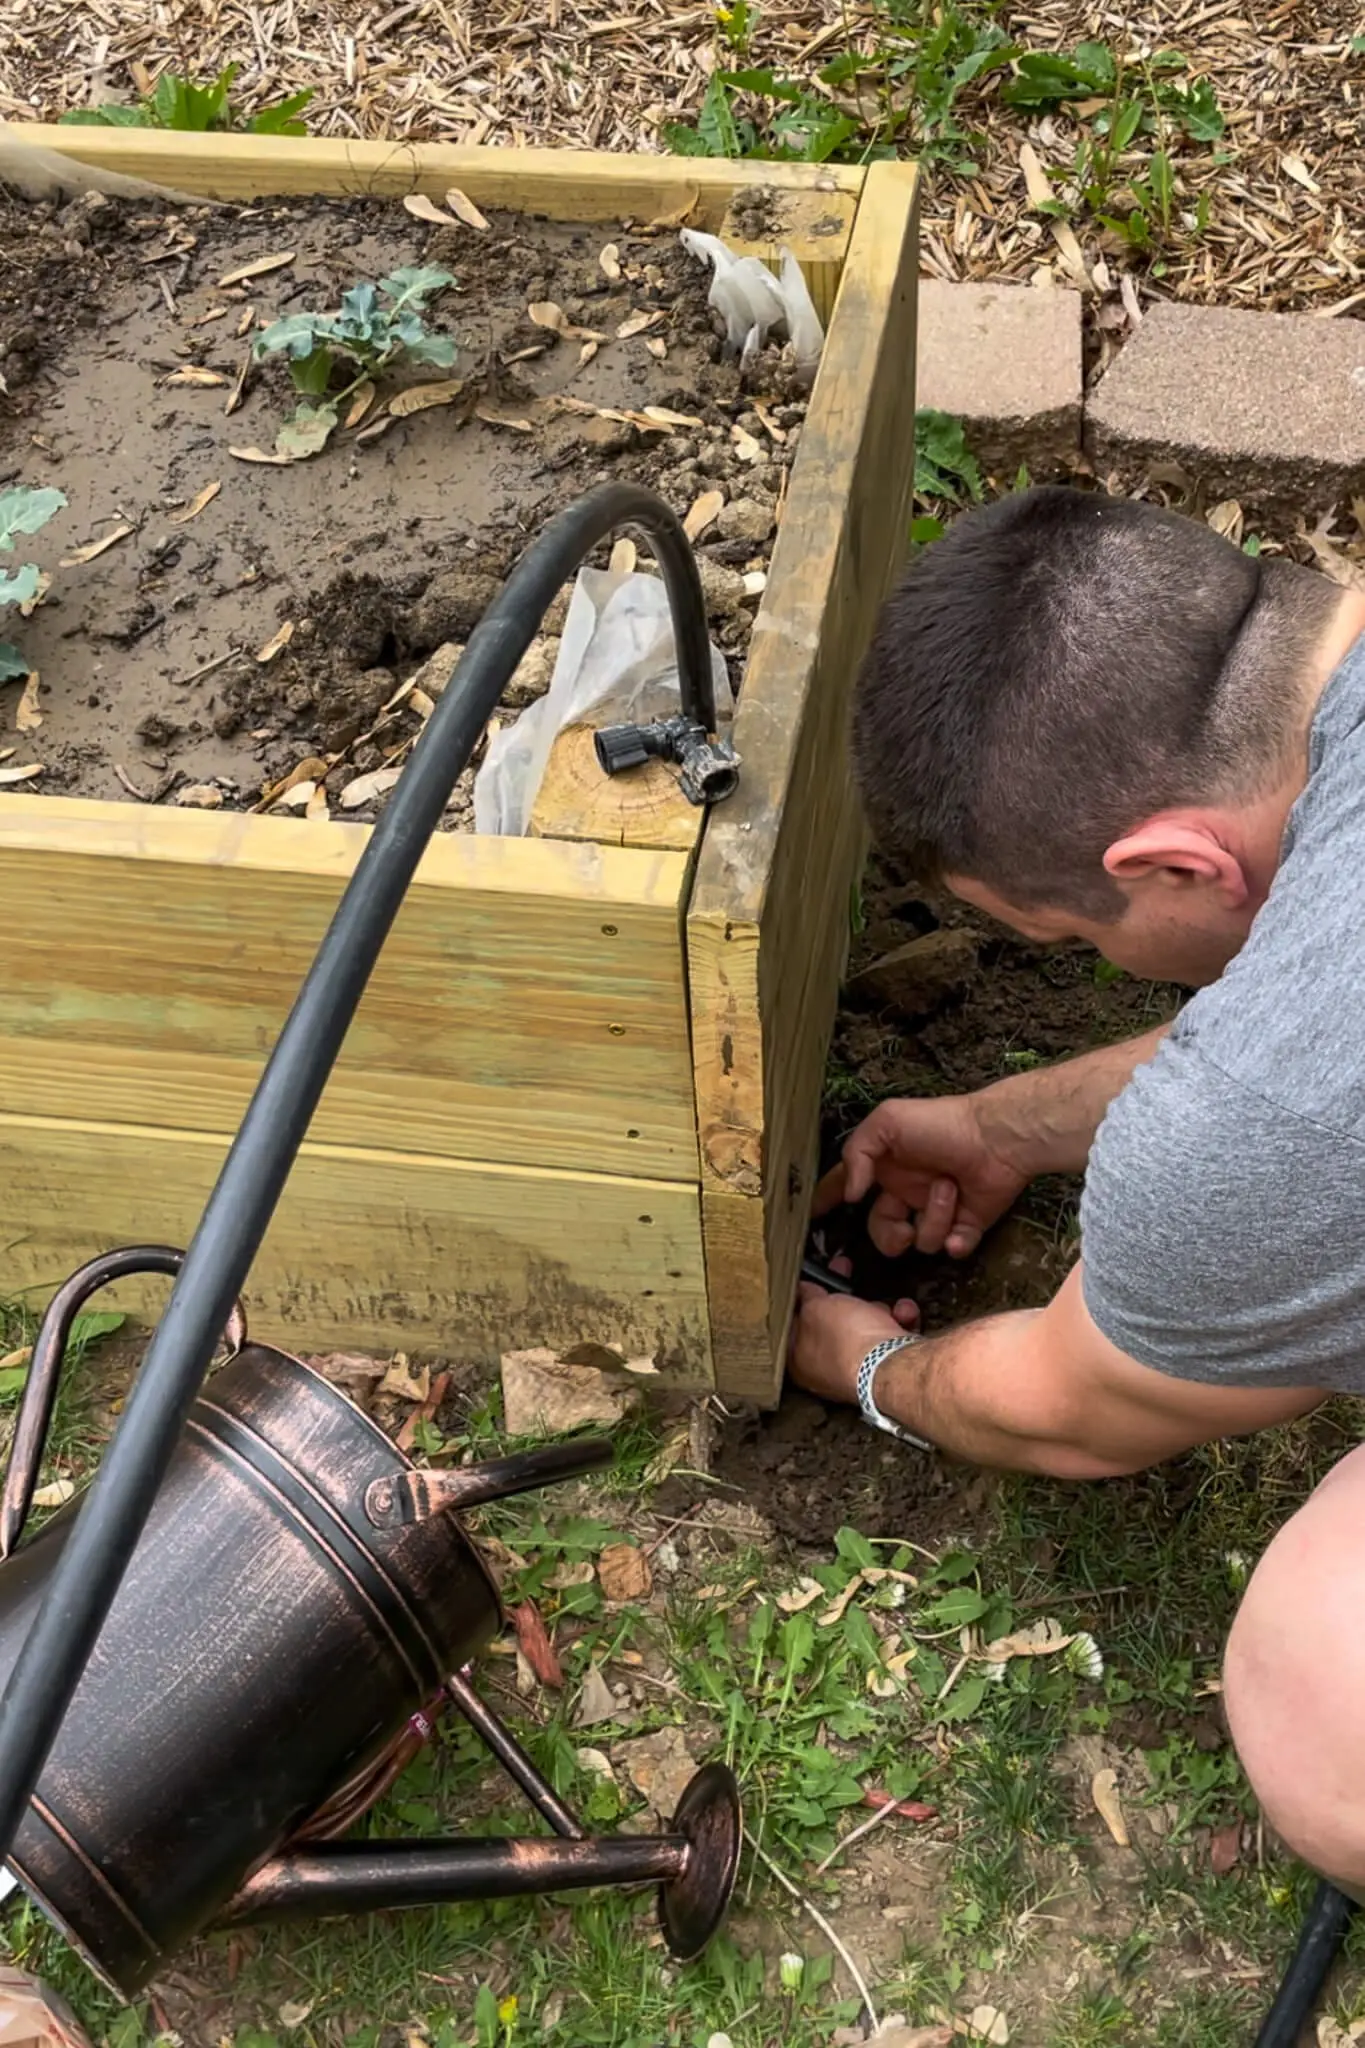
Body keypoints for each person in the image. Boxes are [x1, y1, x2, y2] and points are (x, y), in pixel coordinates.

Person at [788, 485, 1365, 1896]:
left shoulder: (1259, 1124)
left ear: (1172, 863)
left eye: (1067, 935)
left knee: (1327, 1689)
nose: (1095, 966)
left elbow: (1068, 1406)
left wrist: (861, 1364)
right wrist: (1007, 1126)